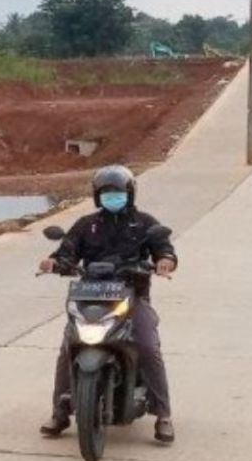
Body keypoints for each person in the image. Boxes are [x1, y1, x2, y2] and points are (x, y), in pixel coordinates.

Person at [38, 165, 178, 443]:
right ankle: (60, 411)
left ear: (129, 193)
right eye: (106, 193)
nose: (112, 197)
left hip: (131, 296)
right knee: (68, 348)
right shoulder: (86, 225)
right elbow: (66, 251)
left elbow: (164, 248)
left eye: (117, 192)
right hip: (89, 295)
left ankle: (163, 414)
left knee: (148, 347)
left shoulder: (144, 223)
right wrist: (54, 262)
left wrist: (165, 261)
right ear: (96, 196)